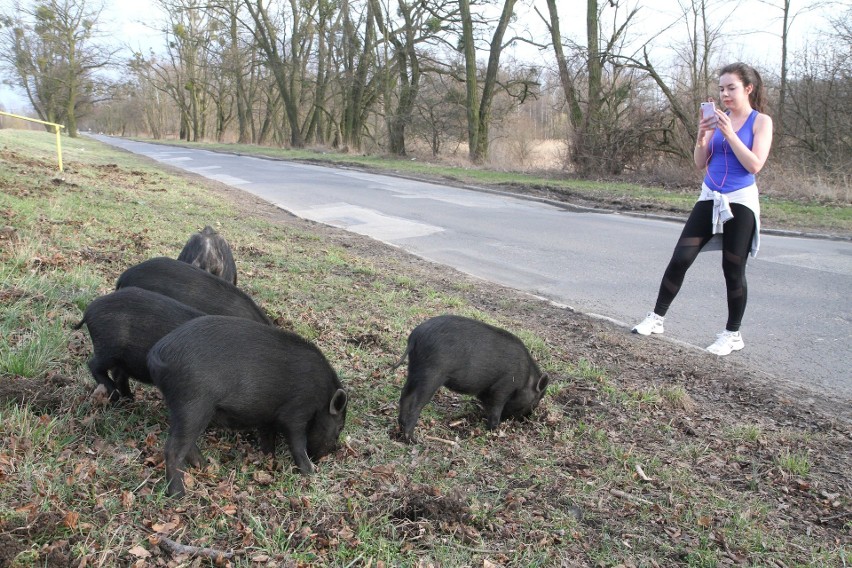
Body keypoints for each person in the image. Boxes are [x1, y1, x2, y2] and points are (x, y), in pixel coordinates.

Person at [632, 62, 773, 356]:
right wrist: (702, 136)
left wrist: (730, 133)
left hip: (740, 200)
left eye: (731, 88)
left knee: (733, 269)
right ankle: (656, 318)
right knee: (681, 257)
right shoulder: (718, 119)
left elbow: (754, 165)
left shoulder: (761, 122)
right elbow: (700, 162)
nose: (725, 94)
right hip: (710, 196)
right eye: (721, 88)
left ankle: (733, 334)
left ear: (748, 88)